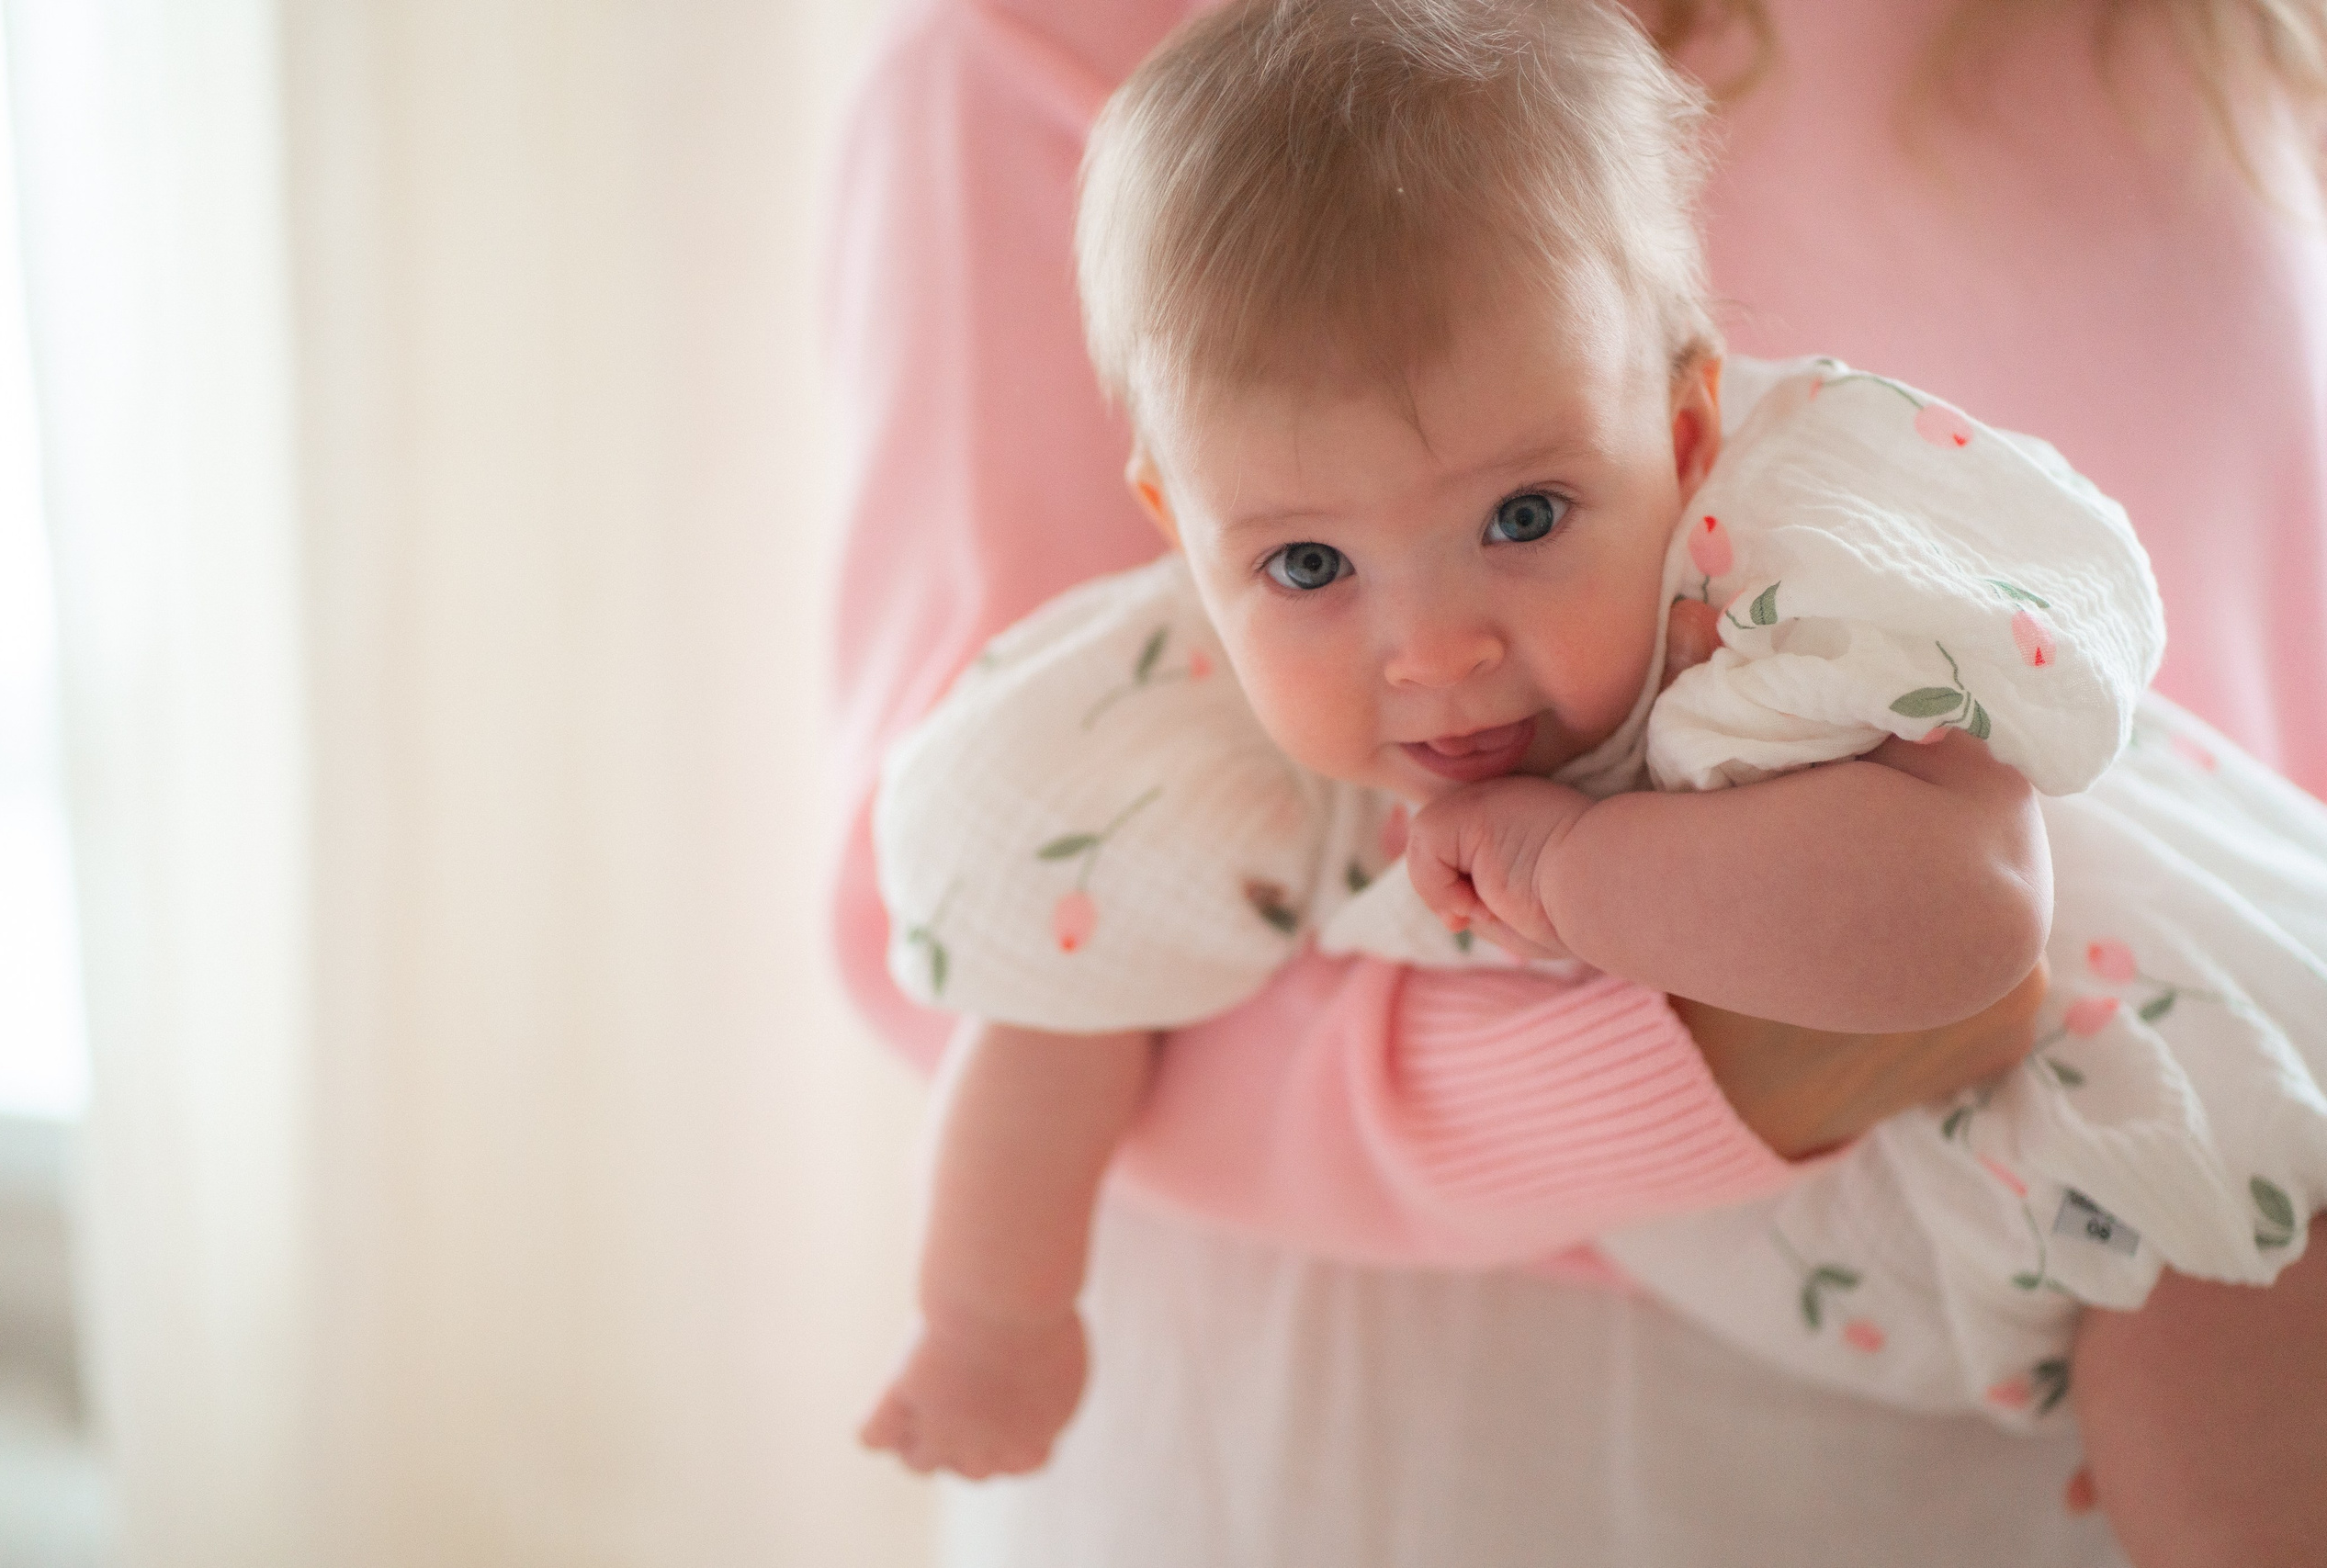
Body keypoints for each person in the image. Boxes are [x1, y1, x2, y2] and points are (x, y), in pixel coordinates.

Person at [826, 0, 2327, 1562]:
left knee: (2236, 1265)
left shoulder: (1786, 574)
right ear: (1179, 517)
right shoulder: (1199, 717)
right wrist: (990, 1317)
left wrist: (1575, 878)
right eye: (1312, 562)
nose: (1432, 649)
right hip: (1411, 1424)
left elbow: (1972, 938)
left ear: (1685, 427)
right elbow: (1047, 1003)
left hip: (2141, 1062)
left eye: (1527, 518)